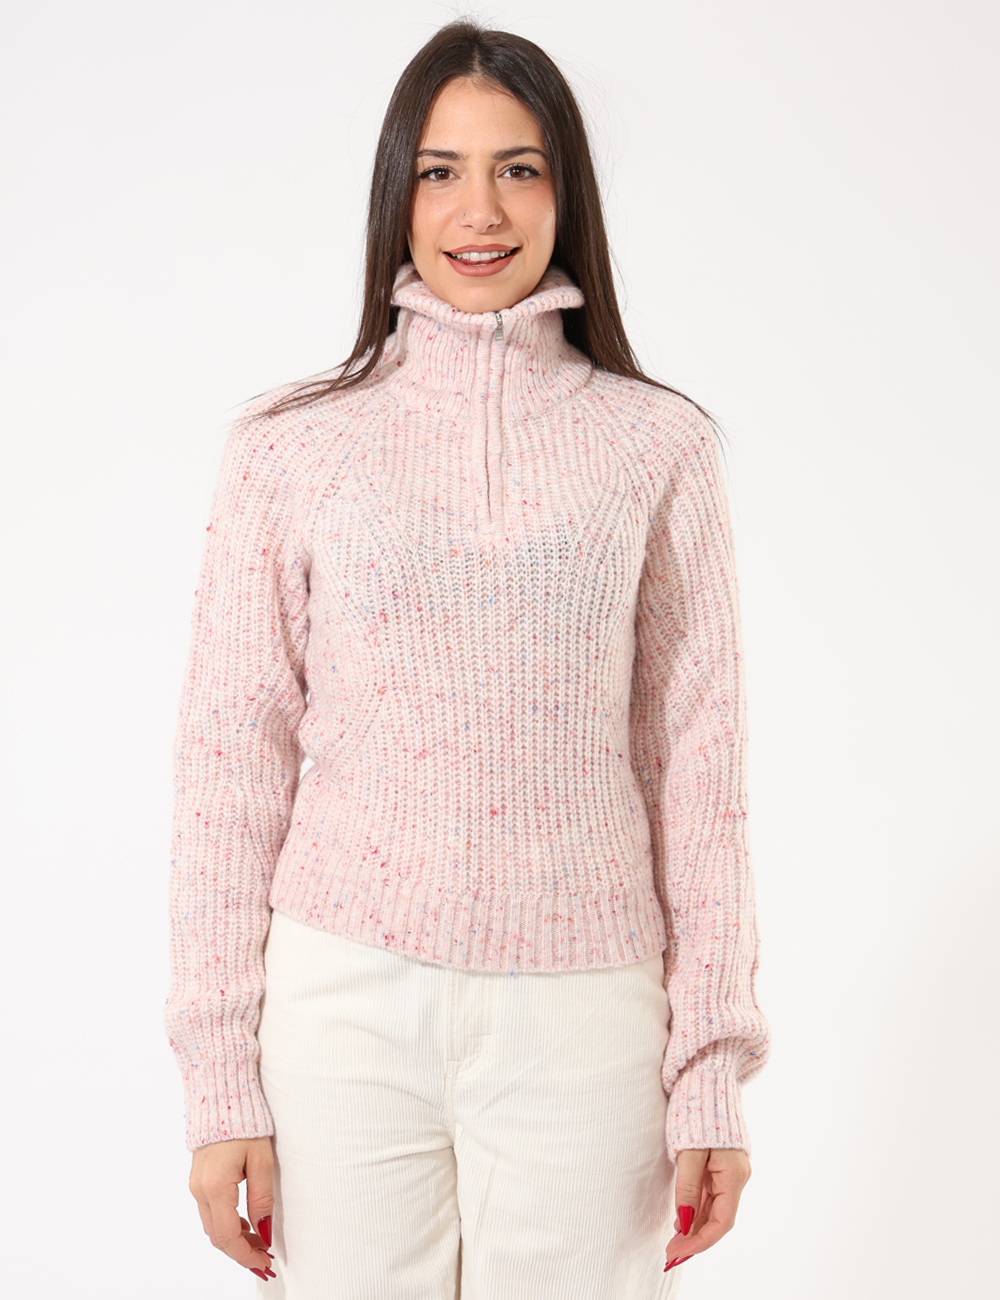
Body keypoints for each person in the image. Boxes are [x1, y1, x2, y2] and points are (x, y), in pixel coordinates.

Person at [164, 19, 770, 1300]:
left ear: (566, 194)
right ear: (397, 194)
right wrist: (220, 1081)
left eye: (518, 169)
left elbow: (699, 764)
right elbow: (230, 761)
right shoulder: (290, 447)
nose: (478, 210)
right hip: (340, 1002)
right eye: (440, 172)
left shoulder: (656, 446)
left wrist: (709, 1069)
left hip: (588, 1011)